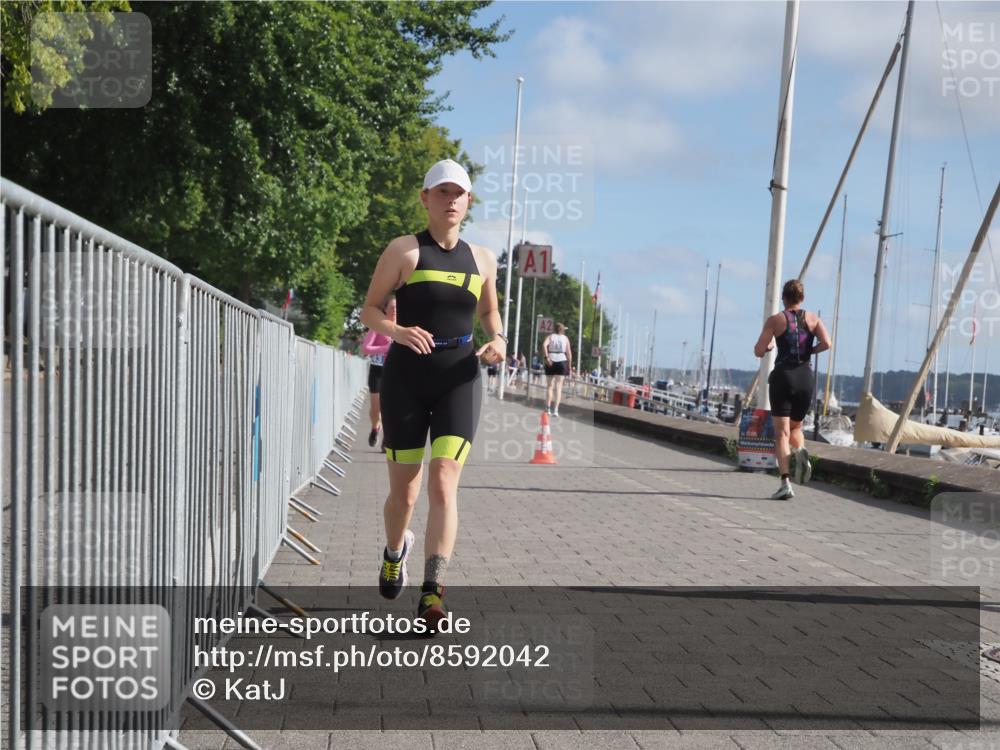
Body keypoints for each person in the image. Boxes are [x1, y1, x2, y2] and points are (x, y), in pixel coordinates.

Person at [359, 158, 505, 632]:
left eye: (458, 194)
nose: (451, 201)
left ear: (468, 202)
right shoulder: (404, 251)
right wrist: (397, 331)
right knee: (405, 493)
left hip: (459, 378)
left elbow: (490, 313)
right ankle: (393, 551)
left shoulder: (482, 258)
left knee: (444, 480)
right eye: (441, 192)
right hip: (406, 380)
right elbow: (370, 310)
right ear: (425, 199)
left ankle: (432, 594)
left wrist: (498, 340)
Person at [753, 279, 831, 499]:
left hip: (783, 377)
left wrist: (769, 346)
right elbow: (827, 343)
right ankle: (800, 450)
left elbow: (759, 350)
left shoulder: (776, 320)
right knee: (796, 428)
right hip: (805, 377)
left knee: (781, 433)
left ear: (783, 298)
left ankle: (785, 482)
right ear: (802, 298)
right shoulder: (814, 319)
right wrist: (809, 351)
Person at [360, 296, 395, 450]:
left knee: (391, 407)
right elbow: (366, 349)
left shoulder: (404, 327)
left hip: (395, 371)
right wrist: (385, 349)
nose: (394, 310)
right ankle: (375, 427)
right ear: (385, 309)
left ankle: (387, 438)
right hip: (378, 370)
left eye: (397, 308)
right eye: (391, 307)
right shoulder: (378, 326)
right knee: (376, 408)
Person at [542, 323, 572, 416]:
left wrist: (547, 357)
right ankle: (556, 410)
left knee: (549, 386)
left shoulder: (550, 336)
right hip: (562, 360)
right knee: (558, 387)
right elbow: (569, 353)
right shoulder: (565, 338)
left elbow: (544, 345)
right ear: (562, 330)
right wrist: (569, 365)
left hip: (551, 359)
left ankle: (548, 408)